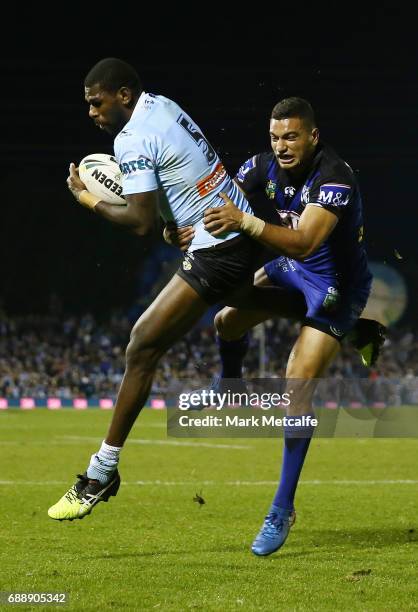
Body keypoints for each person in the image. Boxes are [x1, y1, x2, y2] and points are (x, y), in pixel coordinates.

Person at [47, 57, 262, 521]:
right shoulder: (163, 105)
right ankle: (346, 317)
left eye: (96, 102)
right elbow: (186, 170)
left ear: (123, 94)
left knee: (142, 346)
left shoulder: (131, 139)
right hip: (237, 225)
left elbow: (139, 220)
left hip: (217, 244)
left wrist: (87, 199)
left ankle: (101, 472)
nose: (91, 113)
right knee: (252, 302)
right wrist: (175, 222)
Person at [196, 96, 377, 555]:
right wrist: (186, 228)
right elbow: (221, 205)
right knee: (226, 321)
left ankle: (282, 508)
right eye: (275, 137)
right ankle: (231, 383)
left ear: (312, 136)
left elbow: (303, 241)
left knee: (297, 381)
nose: (282, 146)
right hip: (290, 267)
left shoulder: (335, 177)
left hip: (333, 285)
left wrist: (245, 221)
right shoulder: (260, 167)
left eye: (292, 136)